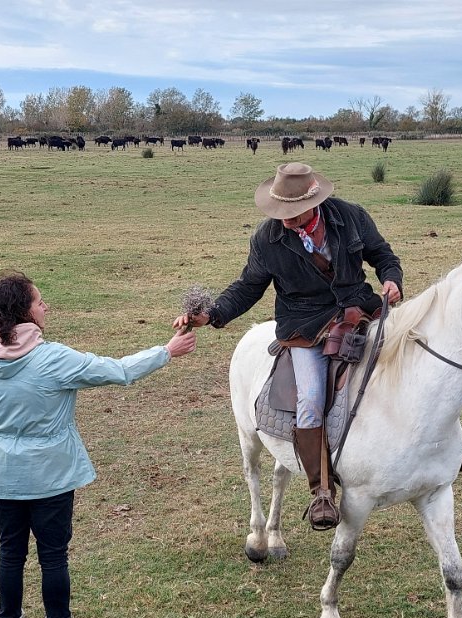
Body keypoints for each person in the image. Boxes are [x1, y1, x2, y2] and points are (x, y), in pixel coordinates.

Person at [0, 270, 196, 618]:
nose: (45, 306)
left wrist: (2, 443)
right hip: (51, 476)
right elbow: (118, 370)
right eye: (39, 302)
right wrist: (166, 351)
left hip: (2, 478)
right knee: (53, 557)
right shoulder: (52, 359)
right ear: (23, 312)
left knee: (9, 554)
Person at [173, 162, 403, 531]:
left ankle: (441, 445)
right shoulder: (267, 239)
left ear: (314, 202)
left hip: (358, 309)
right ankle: (322, 490)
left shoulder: (351, 216)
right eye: (281, 212)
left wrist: (391, 279)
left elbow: (382, 255)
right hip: (304, 325)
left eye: (294, 213)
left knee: (409, 355)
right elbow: (248, 287)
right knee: (309, 397)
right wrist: (213, 314)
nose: (286, 220)